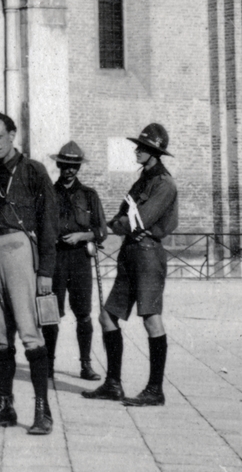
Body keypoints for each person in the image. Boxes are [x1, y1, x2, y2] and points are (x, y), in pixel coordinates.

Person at [0, 112, 58, 436]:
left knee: (29, 331)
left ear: (12, 134)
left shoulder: (33, 170)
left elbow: (48, 222)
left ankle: (42, 410)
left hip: (20, 252)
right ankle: (5, 405)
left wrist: (46, 270)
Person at [84, 123, 178, 407]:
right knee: (107, 317)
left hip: (148, 254)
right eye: (138, 146)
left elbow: (139, 220)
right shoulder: (141, 181)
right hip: (130, 252)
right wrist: (114, 225)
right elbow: (123, 214)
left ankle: (154, 389)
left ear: (154, 152)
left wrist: (116, 226)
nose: (137, 150)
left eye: (142, 147)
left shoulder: (164, 184)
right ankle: (113, 384)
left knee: (151, 320)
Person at [50, 142, 107, 381]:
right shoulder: (48, 193)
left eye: (74, 166)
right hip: (55, 259)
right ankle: (48, 365)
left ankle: (86, 365)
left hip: (80, 259)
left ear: (78, 168)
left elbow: (102, 230)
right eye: (65, 165)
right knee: (51, 313)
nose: (69, 170)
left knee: (83, 313)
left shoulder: (89, 195)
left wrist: (82, 236)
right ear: (58, 165)